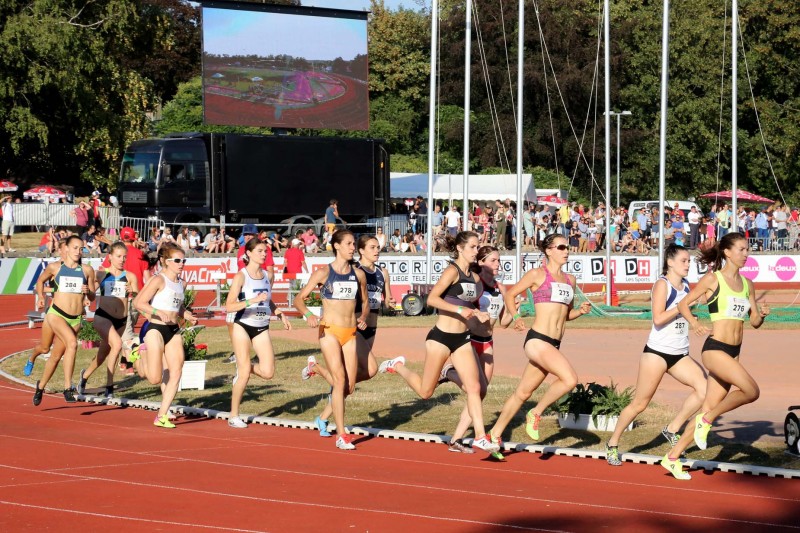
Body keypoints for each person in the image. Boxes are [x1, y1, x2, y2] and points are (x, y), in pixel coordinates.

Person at [661, 233, 770, 480]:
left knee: (708, 407)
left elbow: (753, 322)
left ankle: (673, 457)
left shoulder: (748, 284)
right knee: (751, 391)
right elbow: (683, 304)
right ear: (728, 252)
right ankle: (707, 420)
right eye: (741, 249)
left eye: (747, 249)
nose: (746, 254)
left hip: (734, 353)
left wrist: (761, 315)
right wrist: (694, 323)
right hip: (715, 349)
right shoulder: (713, 279)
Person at [379, 231, 499, 454]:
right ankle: (398, 366)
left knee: (475, 388)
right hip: (441, 338)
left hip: (462, 340)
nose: (476, 251)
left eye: (477, 247)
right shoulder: (452, 271)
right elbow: (432, 299)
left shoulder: (475, 278)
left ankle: (480, 437)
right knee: (426, 392)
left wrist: (479, 314)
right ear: (460, 248)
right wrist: (461, 310)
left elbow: (471, 306)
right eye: (472, 247)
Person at [605, 244, 707, 466]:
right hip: (657, 353)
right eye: (684, 261)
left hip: (679, 354)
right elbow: (658, 318)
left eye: (689, 261)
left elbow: (690, 306)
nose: (688, 265)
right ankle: (612, 444)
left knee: (704, 389)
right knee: (640, 404)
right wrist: (682, 307)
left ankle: (672, 429)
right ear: (670, 262)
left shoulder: (687, 285)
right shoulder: (662, 285)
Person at [487, 233, 592, 448]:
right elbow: (510, 295)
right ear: (548, 250)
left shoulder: (570, 280)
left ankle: (494, 434)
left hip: (553, 344)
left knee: (523, 392)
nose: (566, 251)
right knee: (570, 379)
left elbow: (566, 315)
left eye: (567, 247)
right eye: (561, 247)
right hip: (537, 340)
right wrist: (516, 317)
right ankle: (536, 413)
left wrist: (580, 312)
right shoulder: (537, 274)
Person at [305, 234, 394, 437]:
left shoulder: (382, 273)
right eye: (372, 247)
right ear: (361, 251)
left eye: (378, 247)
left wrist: (389, 302)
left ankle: (323, 415)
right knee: (369, 370)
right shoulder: (354, 270)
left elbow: (383, 299)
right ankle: (334, 422)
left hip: (371, 326)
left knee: (349, 382)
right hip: (352, 328)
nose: (377, 251)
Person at [294, 230, 369, 450]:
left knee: (349, 386)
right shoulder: (323, 273)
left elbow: (365, 302)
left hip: (350, 333)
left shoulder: (359, 274)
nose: (352, 248)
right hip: (329, 331)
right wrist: (308, 315)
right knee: (339, 380)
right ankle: (341, 435)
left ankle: (315, 368)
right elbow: (299, 299)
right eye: (348, 244)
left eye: (354, 244)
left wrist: (363, 317)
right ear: (336, 246)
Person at [440, 246, 512, 454]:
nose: (498, 264)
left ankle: (456, 439)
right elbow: (456, 305)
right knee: (477, 389)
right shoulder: (475, 285)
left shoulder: (501, 287)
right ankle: (450, 372)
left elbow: (504, 322)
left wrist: (514, 309)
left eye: (499, 260)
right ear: (481, 262)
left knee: (480, 393)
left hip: (488, 342)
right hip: (470, 340)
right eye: (493, 260)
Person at [226, 238, 292, 428]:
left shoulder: (267, 275)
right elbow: (229, 306)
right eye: (260, 251)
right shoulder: (241, 276)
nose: (264, 254)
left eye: (265, 251)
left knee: (268, 372)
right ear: (248, 253)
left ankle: (244, 367)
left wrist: (279, 313)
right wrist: (251, 301)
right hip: (243, 324)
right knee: (244, 374)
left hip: (262, 325)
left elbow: (267, 300)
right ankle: (234, 415)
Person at [132, 243, 198, 428]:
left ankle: (161, 415)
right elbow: (138, 302)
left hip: (173, 330)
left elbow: (177, 307)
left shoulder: (182, 283)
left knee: (176, 371)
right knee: (154, 378)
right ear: (166, 261)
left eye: (183, 261)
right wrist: (157, 312)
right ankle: (138, 352)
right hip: (155, 329)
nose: (181, 264)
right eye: (177, 260)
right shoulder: (158, 280)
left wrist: (187, 315)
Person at [32, 235, 97, 405]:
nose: (78, 251)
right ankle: (68, 388)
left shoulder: (87, 270)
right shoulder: (55, 267)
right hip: (57, 314)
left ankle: (40, 386)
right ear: (66, 248)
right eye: (75, 248)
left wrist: (88, 292)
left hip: (75, 319)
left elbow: (92, 296)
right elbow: (40, 281)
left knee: (55, 356)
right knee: (72, 344)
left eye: (81, 248)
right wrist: (41, 297)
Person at [78, 241, 139, 398]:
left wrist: (133, 292)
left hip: (121, 320)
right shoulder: (100, 274)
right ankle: (109, 386)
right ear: (110, 257)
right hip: (103, 316)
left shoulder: (130, 276)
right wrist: (87, 293)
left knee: (103, 354)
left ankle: (84, 377)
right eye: (118, 256)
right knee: (117, 345)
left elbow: (138, 299)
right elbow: (92, 296)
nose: (122, 260)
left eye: (124, 257)